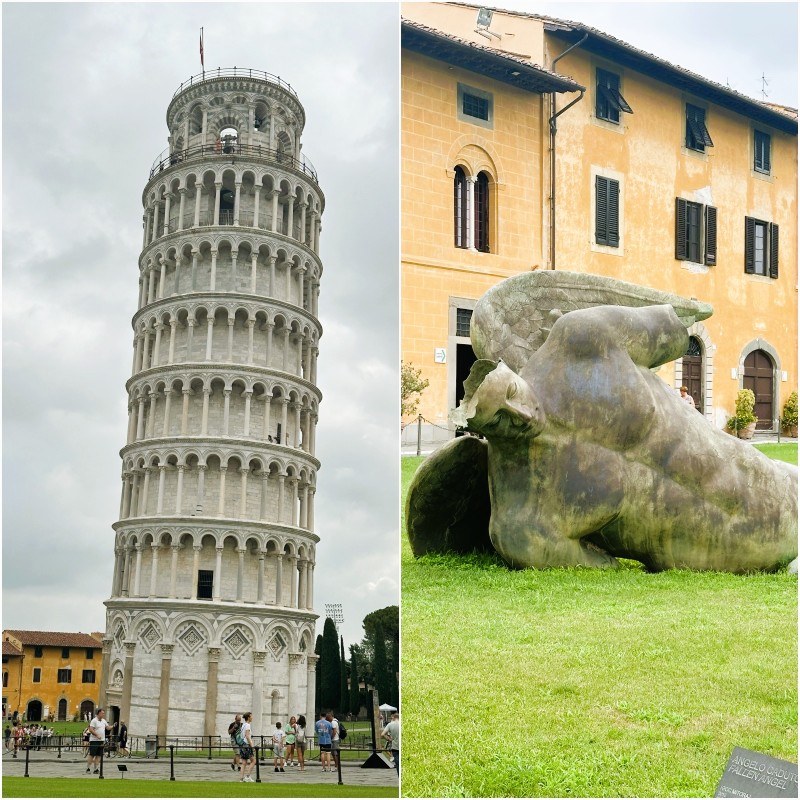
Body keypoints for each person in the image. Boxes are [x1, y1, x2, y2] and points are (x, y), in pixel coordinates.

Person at [455, 304, 798, 573]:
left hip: (767, 480)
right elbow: (597, 565)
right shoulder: (520, 518)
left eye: (513, 393)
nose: (522, 414)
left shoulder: (581, 339)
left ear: (511, 374)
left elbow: (669, 333)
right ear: (481, 430)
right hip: (731, 551)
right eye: (499, 419)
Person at [86, 708, 115, 774]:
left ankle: (96, 769)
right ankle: (88, 768)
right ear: (99, 713)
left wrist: (113, 726)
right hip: (94, 740)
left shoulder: (103, 721)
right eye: (102, 713)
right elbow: (91, 729)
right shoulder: (94, 721)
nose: (103, 714)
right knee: (92, 754)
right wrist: (97, 735)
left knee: (99, 755)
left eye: (104, 713)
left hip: (101, 740)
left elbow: (107, 728)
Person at [238, 712, 256, 782]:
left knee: (244, 762)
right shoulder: (248, 725)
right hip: (246, 745)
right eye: (251, 716)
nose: (252, 717)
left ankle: (241, 779)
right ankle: (248, 776)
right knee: (253, 761)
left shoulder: (243, 725)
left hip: (242, 745)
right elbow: (248, 736)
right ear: (248, 717)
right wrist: (252, 746)